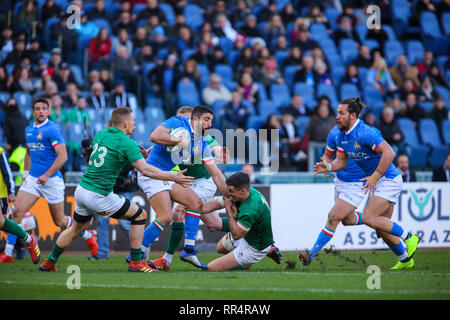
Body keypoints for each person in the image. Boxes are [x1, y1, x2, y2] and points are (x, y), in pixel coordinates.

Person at [38, 107, 194, 272]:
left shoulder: (101, 134)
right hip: (99, 194)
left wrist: (141, 157)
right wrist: (172, 176)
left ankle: (49, 262)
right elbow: (146, 170)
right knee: (140, 216)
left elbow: (110, 156)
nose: (135, 125)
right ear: (125, 123)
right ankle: (136, 263)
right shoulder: (128, 143)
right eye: (133, 122)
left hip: (82, 190)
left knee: (76, 228)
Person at [312, 97, 421, 269]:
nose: (337, 116)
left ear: (353, 115)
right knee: (381, 228)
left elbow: (390, 153)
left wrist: (375, 177)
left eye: (341, 113)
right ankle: (406, 261)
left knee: (370, 218)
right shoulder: (343, 135)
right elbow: (341, 162)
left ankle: (410, 237)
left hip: (389, 179)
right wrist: (327, 166)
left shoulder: (365, 133)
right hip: (377, 181)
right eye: (337, 112)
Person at [7, 98, 98, 264]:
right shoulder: (28, 130)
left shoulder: (52, 130)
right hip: (34, 179)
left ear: (48, 111)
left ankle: (87, 232)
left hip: (51, 180)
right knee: (16, 213)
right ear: (33, 112)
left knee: (60, 221)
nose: (41, 111)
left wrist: (47, 175)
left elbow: (63, 156)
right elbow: (28, 153)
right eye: (37, 109)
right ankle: (8, 253)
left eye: (44, 109)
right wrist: (27, 175)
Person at [137, 106, 230, 265]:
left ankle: (184, 252)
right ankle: (142, 254)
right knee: (176, 215)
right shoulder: (178, 124)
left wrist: (229, 194)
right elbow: (155, 137)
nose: (210, 124)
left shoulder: (202, 140)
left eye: (210, 120)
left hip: (198, 181)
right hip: (161, 176)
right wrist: (178, 140)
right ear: (193, 119)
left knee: (190, 208)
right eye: (207, 120)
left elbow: (215, 172)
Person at [199, 172, 277, 271]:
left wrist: (228, 211)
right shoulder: (243, 193)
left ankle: (245, 263)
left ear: (243, 191)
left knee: (210, 268)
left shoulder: (250, 209)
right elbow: (209, 206)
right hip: (248, 231)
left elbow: (236, 235)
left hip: (255, 246)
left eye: (231, 191)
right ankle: (246, 261)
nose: (228, 194)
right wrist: (189, 206)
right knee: (220, 248)